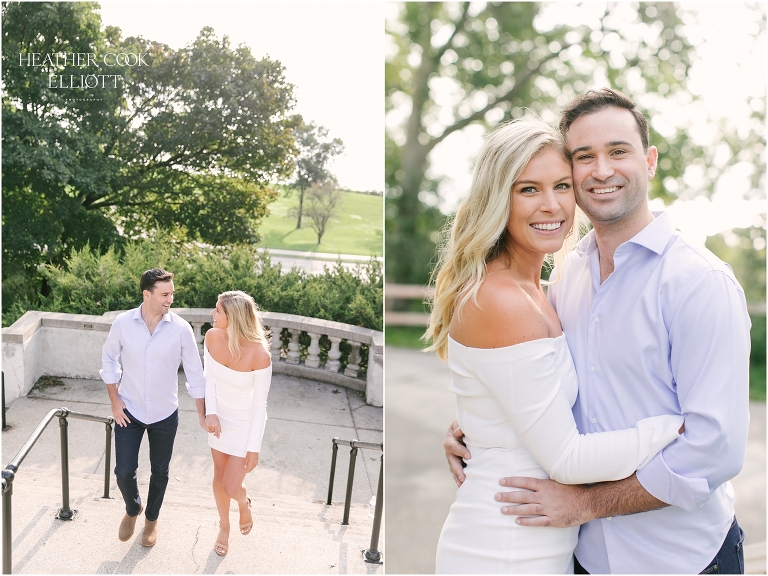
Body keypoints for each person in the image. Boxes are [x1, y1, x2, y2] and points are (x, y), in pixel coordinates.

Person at [444, 89, 751, 573]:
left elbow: (713, 451)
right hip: (580, 556)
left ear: (649, 161)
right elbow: (540, 389)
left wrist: (586, 504)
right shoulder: (567, 278)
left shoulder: (699, 283)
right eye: (584, 157)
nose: (601, 170)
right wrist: (481, 429)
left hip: (678, 560)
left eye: (618, 151)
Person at [101, 268, 208, 547]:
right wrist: (115, 401)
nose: (170, 299)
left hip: (164, 413)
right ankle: (132, 508)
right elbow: (109, 360)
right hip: (129, 411)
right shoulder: (123, 323)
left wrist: (201, 413)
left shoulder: (181, 329)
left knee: (160, 470)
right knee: (124, 471)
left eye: (171, 293)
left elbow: (196, 374)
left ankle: (151, 519)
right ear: (146, 294)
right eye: (164, 294)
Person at [203, 290, 272, 556]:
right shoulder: (211, 337)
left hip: (245, 423)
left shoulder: (259, 354)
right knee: (219, 478)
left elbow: (260, 405)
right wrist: (210, 412)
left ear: (232, 317)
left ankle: (244, 503)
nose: (213, 313)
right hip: (219, 420)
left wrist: (253, 448)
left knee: (232, 485)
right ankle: (224, 526)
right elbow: (209, 378)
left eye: (217, 310)